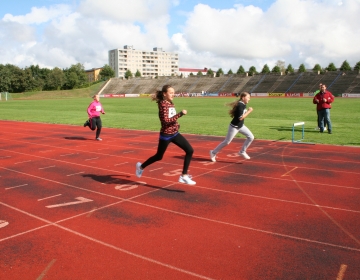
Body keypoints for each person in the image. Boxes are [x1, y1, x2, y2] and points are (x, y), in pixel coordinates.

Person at [135, 85, 196, 185]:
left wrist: (176, 124)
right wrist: (180, 114)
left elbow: (171, 118)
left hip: (175, 133)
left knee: (190, 150)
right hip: (166, 135)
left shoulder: (170, 103)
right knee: (159, 156)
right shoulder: (163, 104)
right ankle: (141, 167)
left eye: (173, 92)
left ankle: (183, 176)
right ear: (164, 94)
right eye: (171, 93)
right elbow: (166, 121)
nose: (173, 94)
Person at [210, 92, 254, 162]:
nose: (249, 99)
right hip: (234, 127)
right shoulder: (240, 105)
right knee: (227, 142)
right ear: (243, 98)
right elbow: (240, 118)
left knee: (251, 137)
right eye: (248, 97)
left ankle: (242, 151)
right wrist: (249, 111)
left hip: (241, 126)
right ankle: (213, 152)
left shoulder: (243, 104)